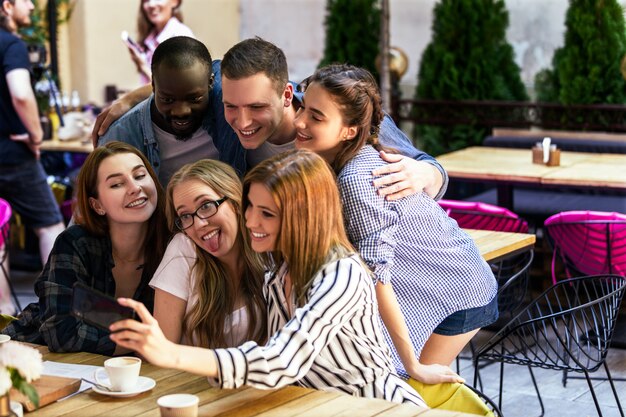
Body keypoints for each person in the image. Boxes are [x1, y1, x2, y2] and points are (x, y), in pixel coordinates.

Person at [110, 150, 426, 408]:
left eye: (267, 213)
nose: (251, 221)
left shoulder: (341, 274)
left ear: (303, 215)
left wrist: (172, 354)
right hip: (314, 406)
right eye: (250, 208)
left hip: (375, 408)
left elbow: (281, 362)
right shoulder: (278, 274)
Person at [293, 64, 498, 382]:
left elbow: (376, 278)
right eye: (303, 107)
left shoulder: (357, 180)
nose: (299, 121)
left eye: (316, 117)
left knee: (409, 394)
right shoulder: (344, 156)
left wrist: (414, 366)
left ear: (349, 130)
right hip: (431, 281)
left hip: (459, 292)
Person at [93, 37, 448, 201]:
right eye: (231, 106)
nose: (242, 120)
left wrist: (426, 173)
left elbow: (430, 169)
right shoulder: (226, 94)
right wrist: (133, 97)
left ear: (287, 95)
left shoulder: (335, 114)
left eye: (257, 107)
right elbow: (194, 70)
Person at [1, 141, 169, 355]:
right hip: (33, 355)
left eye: (139, 176)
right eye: (117, 184)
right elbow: (62, 334)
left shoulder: (171, 247)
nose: (135, 188)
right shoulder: (75, 243)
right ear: (97, 205)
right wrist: (143, 345)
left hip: (121, 372)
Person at [99, 36, 245, 186]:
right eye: (168, 100)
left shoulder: (227, 108)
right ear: (153, 86)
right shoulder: (121, 135)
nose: (181, 111)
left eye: (194, 99)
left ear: (210, 84)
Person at [150, 159, 266, 347]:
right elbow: (161, 352)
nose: (199, 224)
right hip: (185, 376)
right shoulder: (184, 248)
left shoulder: (267, 248)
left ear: (236, 202)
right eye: (185, 216)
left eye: (206, 206)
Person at [1, 0, 65, 276]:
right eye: (25, 0)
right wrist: (36, 137)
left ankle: (2, 311)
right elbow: (21, 93)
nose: (30, 6)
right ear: (6, 6)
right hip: (13, 152)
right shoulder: (11, 45)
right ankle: (57, 307)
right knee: (50, 225)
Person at [130, 0, 194, 84]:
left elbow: (175, 90)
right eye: (146, 0)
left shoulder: (181, 36)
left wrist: (143, 66)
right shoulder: (150, 39)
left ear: (175, 1)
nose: (151, 4)